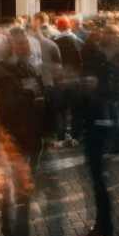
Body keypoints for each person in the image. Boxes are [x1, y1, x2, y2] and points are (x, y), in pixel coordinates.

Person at [0, 27, 49, 236]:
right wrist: (30, 94)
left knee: (21, 191)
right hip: (13, 139)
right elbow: (10, 104)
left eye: (26, 44)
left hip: (30, 137)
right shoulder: (1, 72)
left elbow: (40, 90)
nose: (25, 48)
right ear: (9, 47)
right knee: (15, 191)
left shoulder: (27, 67)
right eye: (19, 44)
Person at [75, 20, 118, 236]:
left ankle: (107, 234)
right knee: (96, 181)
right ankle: (100, 228)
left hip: (100, 125)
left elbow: (112, 91)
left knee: (101, 182)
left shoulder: (105, 60)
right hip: (95, 124)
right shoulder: (96, 57)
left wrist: (93, 89)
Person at [52, 17, 84, 145]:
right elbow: (82, 61)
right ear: (69, 26)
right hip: (75, 79)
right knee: (76, 110)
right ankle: (75, 136)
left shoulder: (54, 42)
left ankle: (61, 137)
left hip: (60, 80)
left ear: (58, 27)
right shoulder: (78, 41)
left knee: (60, 110)